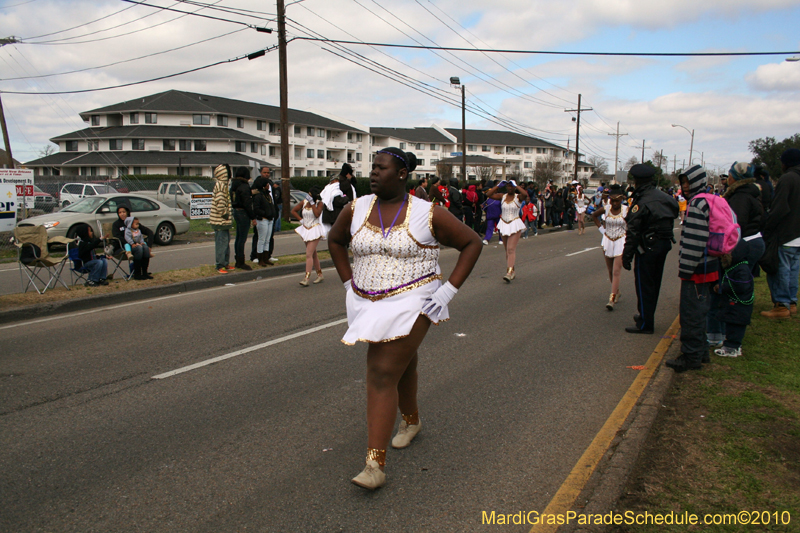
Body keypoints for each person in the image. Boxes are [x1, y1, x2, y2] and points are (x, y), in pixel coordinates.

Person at [328, 147, 482, 490]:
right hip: (368, 299)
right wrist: (347, 283)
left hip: (415, 299)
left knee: (382, 370)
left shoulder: (428, 213)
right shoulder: (357, 208)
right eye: (373, 168)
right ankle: (411, 422)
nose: (373, 173)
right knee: (403, 362)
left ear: (401, 174)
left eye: (381, 168)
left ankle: (374, 465)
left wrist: (447, 292)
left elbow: (472, 243)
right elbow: (335, 241)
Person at [706, 162, 765, 352]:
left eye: (730, 174)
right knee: (734, 288)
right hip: (752, 241)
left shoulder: (740, 198)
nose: (727, 178)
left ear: (736, 178)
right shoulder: (751, 194)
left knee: (731, 290)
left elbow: (732, 227)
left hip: (741, 245)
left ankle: (724, 337)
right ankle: (723, 334)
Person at [665, 165, 719, 372]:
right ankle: (701, 351)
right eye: (683, 182)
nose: (685, 186)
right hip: (709, 265)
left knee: (691, 314)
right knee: (701, 311)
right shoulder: (709, 200)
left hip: (697, 269)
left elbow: (695, 241)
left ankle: (690, 357)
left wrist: (685, 269)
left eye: (688, 182)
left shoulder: (696, 204)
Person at [622, 164, 679, 334]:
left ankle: (646, 323)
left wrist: (627, 255)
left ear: (637, 181)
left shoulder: (642, 200)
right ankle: (646, 316)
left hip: (647, 246)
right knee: (654, 283)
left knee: (644, 285)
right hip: (663, 244)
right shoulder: (665, 198)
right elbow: (674, 213)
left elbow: (633, 230)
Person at [760, 148, 800, 319]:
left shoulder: (787, 179)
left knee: (781, 270)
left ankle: (781, 306)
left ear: (786, 163)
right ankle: (791, 303)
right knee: (793, 270)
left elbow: (779, 208)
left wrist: (768, 228)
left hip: (786, 233)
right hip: (798, 234)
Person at [591, 184, 627, 310]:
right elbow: (594, 215)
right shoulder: (606, 209)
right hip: (607, 240)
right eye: (613, 200)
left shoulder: (626, 210)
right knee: (610, 270)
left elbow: (633, 224)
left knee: (617, 270)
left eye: (617, 200)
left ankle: (611, 298)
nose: (615, 203)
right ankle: (617, 291)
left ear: (621, 199)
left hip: (621, 240)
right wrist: (602, 230)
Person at [484, 180, 528, 282]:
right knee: (507, 250)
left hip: (515, 224)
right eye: (508, 186)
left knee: (511, 249)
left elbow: (525, 194)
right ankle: (512, 270)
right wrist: (498, 186)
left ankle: (509, 272)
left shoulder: (518, 197)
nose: (510, 188)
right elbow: (488, 194)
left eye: (511, 186)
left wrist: (516, 185)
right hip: (504, 223)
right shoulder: (502, 196)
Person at [290, 185, 326, 286]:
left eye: (310, 194)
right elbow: (293, 211)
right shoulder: (304, 202)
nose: (307, 196)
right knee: (313, 254)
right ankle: (320, 274)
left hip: (315, 229)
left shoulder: (320, 204)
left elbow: (317, 214)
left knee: (308, 254)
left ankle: (306, 278)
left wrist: (313, 203)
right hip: (306, 229)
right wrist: (301, 220)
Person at [210, 164, 234, 274]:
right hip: (220, 221)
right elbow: (220, 203)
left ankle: (225, 263)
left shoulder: (223, 185)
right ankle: (219, 265)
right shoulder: (220, 185)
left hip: (223, 221)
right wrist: (225, 214)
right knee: (221, 243)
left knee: (225, 242)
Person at [230, 166, 255, 270]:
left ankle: (238, 259)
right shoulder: (244, 186)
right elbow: (247, 203)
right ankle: (241, 261)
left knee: (238, 237)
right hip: (243, 212)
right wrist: (253, 217)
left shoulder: (234, 185)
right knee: (242, 238)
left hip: (236, 210)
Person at [321, 163, 357, 234]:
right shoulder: (338, 185)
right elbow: (337, 200)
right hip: (337, 214)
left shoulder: (336, 184)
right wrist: (346, 198)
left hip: (335, 214)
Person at [251, 175, 276, 267]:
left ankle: (266, 257)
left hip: (270, 219)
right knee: (261, 239)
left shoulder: (267, 195)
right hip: (262, 220)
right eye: (266, 184)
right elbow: (256, 209)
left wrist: (272, 214)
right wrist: (265, 213)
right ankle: (260, 258)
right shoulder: (258, 196)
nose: (268, 185)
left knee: (267, 239)